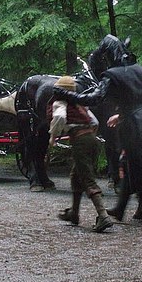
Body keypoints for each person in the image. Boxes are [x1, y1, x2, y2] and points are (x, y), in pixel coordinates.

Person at [54, 50, 142, 230]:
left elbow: (94, 98)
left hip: (135, 125)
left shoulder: (111, 75)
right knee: (130, 165)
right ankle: (120, 208)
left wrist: (65, 94)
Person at [48, 76, 113, 233]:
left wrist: (53, 136)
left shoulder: (60, 103)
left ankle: (103, 216)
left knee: (87, 179)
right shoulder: (80, 104)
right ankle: (74, 213)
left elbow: (59, 117)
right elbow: (95, 122)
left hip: (80, 140)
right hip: (92, 139)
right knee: (76, 175)